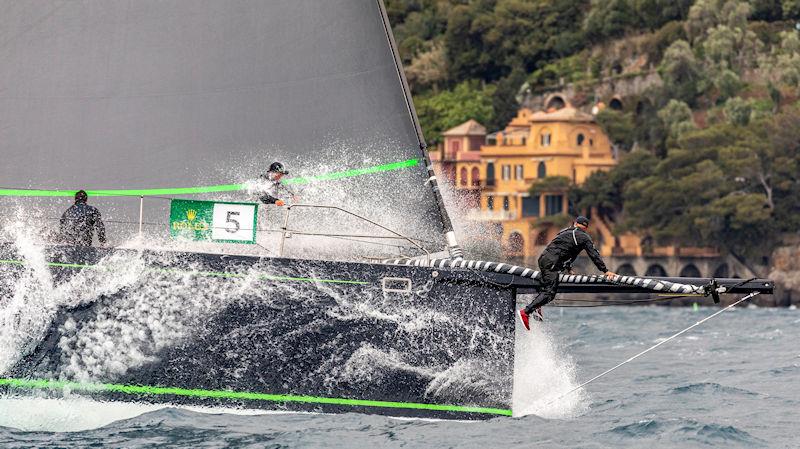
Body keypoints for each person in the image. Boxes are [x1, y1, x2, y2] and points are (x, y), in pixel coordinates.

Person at [518, 216, 616, 330]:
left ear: (575, 223)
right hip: (552, 263)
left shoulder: (565, 231)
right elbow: (593, 254)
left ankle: (537, 307)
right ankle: (526, 311)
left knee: (546, 287)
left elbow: (565, 250)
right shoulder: (584, 237)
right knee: (550, 293)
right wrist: (605, 271)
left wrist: (568, 268)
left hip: (543, 259)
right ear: (586, 228)